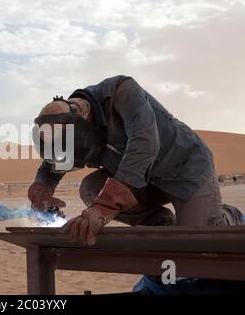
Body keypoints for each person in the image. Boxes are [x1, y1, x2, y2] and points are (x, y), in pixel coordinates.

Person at [28, 75, 243, 246]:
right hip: (142, 182)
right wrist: (42, 192)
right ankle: (161, 224)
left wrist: (103, 207)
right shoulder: (69, 132)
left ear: (83, 128)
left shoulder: (122, 91)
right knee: (91, 187)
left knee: (201, 242)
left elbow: (145, 144)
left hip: (186, 170)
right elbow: (52, 166)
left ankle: (227, 215)